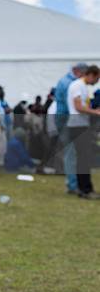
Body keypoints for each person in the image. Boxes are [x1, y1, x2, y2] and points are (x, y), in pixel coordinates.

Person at [66, 65, 100, 199]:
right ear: (91, 74)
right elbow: (78, 106)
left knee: (83, 158)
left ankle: (85, 188)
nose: (96, 81)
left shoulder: (83, 87)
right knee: (83, 158)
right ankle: (85, 189)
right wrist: (96, 112)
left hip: (81, 124)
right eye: (97, 78)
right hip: (77, 125)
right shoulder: (77, 86)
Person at [55, 63, 87, 194]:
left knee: (71, 152)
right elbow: (73, 105)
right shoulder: (70, 84)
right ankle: (72, 184)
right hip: (67, 120)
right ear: (77, 71)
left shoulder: (67, 81)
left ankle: (73, 182)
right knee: (71, 152)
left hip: (66, 119)